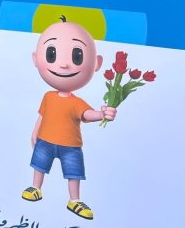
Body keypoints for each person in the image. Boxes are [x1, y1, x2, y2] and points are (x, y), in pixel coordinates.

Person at [23, 17, 116, 220]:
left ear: (96, 63)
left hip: (71, 146)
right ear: (35, 58)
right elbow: (42, 115)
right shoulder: (48, 96)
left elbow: (87, 114)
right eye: (52, 54)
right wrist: (35, 132)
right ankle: (36, 188)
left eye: (77, 56)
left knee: (74, 173)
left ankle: (74, 200)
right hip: (45, 140)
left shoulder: (76, 102)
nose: (64, 64)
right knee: (39, 165)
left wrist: (102, 114)